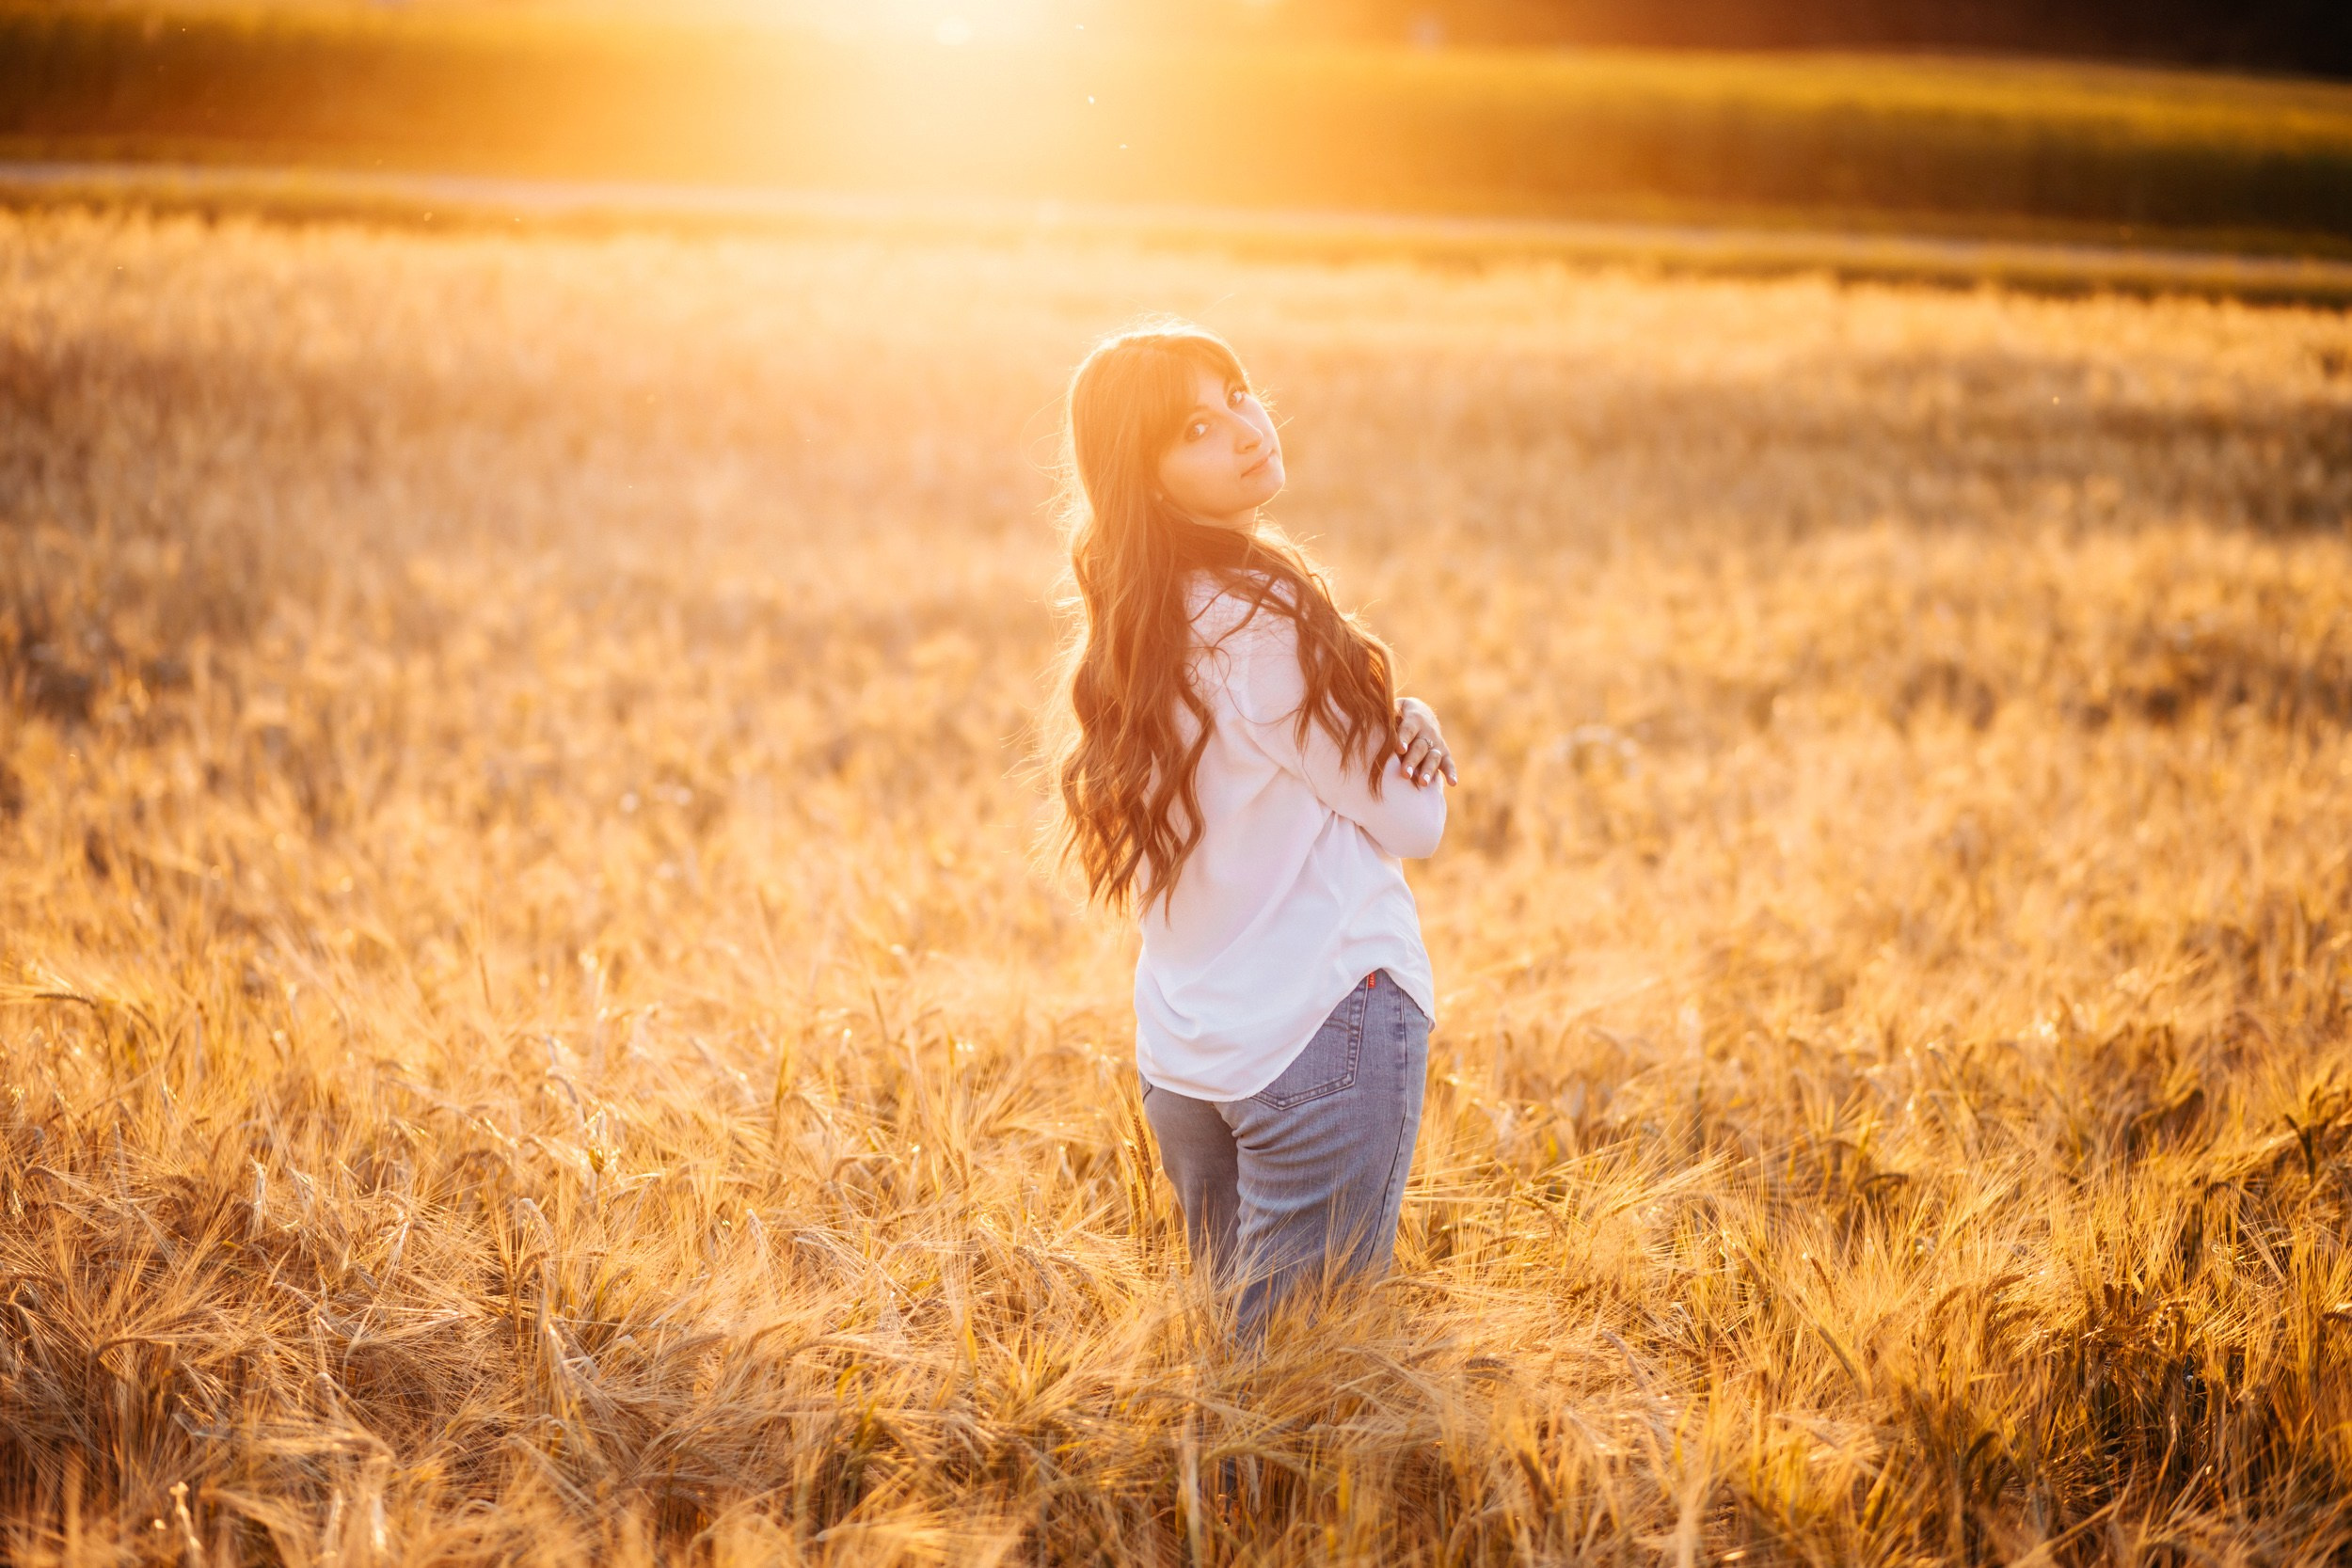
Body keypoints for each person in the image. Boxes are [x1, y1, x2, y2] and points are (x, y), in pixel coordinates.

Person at [1045, 320, 1456, 1342]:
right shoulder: (1260, 626)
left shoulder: (1134, 627)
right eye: (1194, 424)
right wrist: (1419, 734)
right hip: (1322, 1024)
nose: (1241, 425)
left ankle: (1205, 1508)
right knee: (1301, 1392)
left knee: (1233, 1373)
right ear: (1148, 475)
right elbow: (1412, 820)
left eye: (1235, 391)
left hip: (1184, 1057)